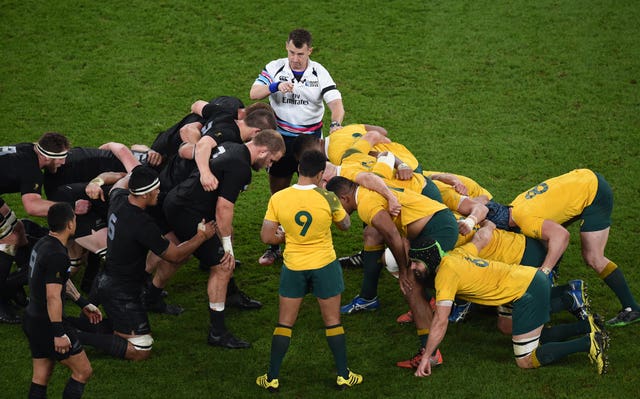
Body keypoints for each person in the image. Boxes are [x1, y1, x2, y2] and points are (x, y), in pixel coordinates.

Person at [409, 234, 610, 377]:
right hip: (521, 281)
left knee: (525, 360)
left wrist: (427, 355)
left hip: (526, 291)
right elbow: (481, 238)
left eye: (416, 263)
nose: (412, 268)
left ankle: (590, 343)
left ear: (429, 259)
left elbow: (441, 320)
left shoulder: (445, 275)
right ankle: (588, 325)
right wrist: (485, 222)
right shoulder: (455, 255)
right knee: (507, 327)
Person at [163, 129, 285, 349]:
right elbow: (224, 208)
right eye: (271, 160)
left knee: (221, 241)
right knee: (222, 265)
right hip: (188, 212)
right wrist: (227, 248)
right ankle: (217, 332)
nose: (269, 166)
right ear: (263, 150)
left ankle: (230, 294)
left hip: (184, 202)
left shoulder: (233, 146)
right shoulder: (240, 167)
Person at [325, 176, 458, 368]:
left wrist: (403, 272)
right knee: (414, 287)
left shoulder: (366, 204)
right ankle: (426, 317)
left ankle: (431, 353)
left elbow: (393, 236)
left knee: (412, 284)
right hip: (432, 225)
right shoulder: (364, 192)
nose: (336, 212)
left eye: (336, 206)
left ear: (344, 198)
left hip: (439, 228)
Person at [256, 150, 362, 391]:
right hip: (325, 265)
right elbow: (345, 225)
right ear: (320, 174)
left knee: (284, 323)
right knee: (333, 321)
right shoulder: (328, 198)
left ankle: (272, 378)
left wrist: (282, 235)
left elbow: (266, 236)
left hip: (294, 267)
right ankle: (343, 376)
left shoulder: (279, 198)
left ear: (299, 170)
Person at [485, 169, 640, 327]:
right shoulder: (515, 205)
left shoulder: (525, 221)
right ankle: (555, 287)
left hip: (594, 192)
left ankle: (631, 308)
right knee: (547, 243)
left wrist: (545, 271)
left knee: (593, 257)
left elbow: (562, 236)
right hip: (582, 179)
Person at [94, 166, 216, 360]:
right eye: (156, 189)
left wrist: (135, 175)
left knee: (126, 331)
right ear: (145, 195)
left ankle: (86, 326)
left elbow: (119, 183)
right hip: (120, 292)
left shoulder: (118, 199)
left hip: (111, 280)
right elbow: (175, 255)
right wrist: (201, 236)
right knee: (142, 349)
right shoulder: (141, 223)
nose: (159, 192)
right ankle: (75, 335)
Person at [250, 28, 345, 266]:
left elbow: (336, 104)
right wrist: (274, 87)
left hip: (310, 142)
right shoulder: (275, 68)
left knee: (315, 192)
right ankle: (274, 247)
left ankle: (315, 240)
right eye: (292, 52)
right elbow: (254, 93)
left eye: (300, 53)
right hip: (281, 141)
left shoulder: (319, 72)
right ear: (286, 47)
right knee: (278, 194)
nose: (295, 58)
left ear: (309, 51)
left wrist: (336, 123)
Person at [22, 203, 101, 398]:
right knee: (83, 371)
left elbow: (60, 281)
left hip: (32, 318)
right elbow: (52, 295)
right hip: (48, 323)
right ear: (70, 225)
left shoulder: (43, 243)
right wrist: (59, 332)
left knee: (41, 375)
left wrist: (82, 302)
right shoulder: (58, 255)